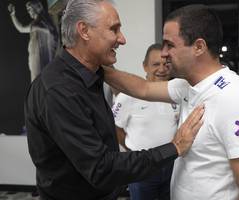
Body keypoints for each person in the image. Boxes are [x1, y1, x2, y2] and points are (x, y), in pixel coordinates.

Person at [24, 1, 204, 200]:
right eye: (114, 29)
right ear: (84, 30)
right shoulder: (59, 91)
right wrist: (174, 147)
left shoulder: (89, 74)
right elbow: (101, 168)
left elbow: (142, 88)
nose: (122, 39)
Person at [103, 4, 239, 200]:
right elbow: (143, 88)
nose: (163, 53)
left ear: (199, 47)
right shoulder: (186, 86)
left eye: (170, 45)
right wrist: (96, 65)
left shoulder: (235, 98)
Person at [112, 43, 179, 200]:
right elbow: (115, 128)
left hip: (171, 166)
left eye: (166, 64)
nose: (162, 69)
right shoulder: (128, 95)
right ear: (145, 66)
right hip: (142, 168)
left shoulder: (176, 93)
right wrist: (131, 151)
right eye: (156, 64)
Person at [8, 0, 58, 82]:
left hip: (41, 59)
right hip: (38, 58)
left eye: (29, 9)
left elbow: (21, 28)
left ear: (36, 8)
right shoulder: (39, 23)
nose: (28, 12)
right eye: (28, 9)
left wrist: (13, 14)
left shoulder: (40, 23)